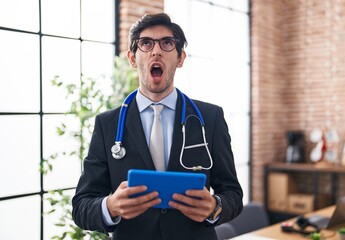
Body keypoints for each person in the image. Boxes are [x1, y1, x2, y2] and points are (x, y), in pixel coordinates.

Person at [72, 13, 243, 240]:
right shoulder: (108, 125)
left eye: (167, 43)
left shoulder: (210, 118)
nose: (156, 51)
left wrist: (215, 207)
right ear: (132, 59)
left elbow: (232, 194)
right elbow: (81, 207)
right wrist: (110, 206)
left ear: (180, 58)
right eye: (146, 43)